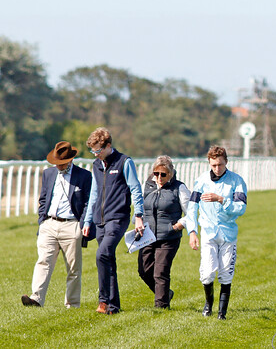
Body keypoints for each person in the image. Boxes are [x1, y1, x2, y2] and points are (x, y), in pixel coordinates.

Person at [21, 141, 92, 308]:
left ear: (70, 160)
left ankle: (72, 304)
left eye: (61, 164)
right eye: (56, 163)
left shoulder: (84, 176)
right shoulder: (48, 174)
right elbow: (44, 198)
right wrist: (42, 221)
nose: (58, 166)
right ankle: (36, 298)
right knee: (43, 261)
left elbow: (89, 202)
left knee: (73, 269)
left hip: (72, 225)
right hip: (49, 224)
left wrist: (82, 224)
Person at [82, 128, 145, 315]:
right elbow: (94, 193)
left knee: (102, 254)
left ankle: (103, 301)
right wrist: (87, 221)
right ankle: (114, 306)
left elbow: (135, 188)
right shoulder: (96, 164)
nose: (96, 154)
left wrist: (139, 215)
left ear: (108, 146)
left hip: (118, 218)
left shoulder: (125, 162)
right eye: (93, 151)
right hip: (99, 220)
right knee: (108, 259)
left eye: (98, 150)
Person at [186, 145, 247, 320]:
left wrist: (221, 200)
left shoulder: (237, 181)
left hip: (228, 233)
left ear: (226, 162)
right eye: (213, 165)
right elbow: (192, 208)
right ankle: (208, 304)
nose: (217, 169)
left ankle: (222, 313)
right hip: (208, 232)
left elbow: (241, 208)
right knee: (207, 273)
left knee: (226, 272)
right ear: (209, 163)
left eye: (220, 164)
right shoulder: (201, 181)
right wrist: (192, 231)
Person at [138, 155, 190, 309]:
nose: (159, 177)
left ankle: (161, 306)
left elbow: (191, 213)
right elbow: (141, 208)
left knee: (160, 272)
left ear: (171, 174)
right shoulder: (146, 186)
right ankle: (166, 293)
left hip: (169, 237)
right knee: (144, 270)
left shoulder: (179, 188)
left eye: (163, 174)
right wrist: (138, 222)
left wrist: (179, 225)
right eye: (156, 174)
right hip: (147, 235)